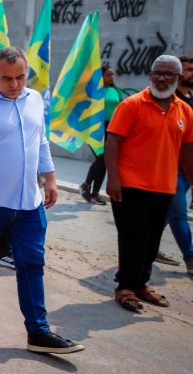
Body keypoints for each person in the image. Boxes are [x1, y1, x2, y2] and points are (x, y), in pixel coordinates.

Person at [0, 47, 83, 354]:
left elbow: (41, 140)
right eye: (7, 78)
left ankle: (38, 331)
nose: (15, 84)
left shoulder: (34, 99)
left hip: (29, 202)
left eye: (20, 77)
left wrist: (50, 176)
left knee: (32, 263)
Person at [105, 55, 193, 311]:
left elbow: (187, 151)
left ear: (178, 79)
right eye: (157, 73)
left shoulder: (184, 111)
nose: (161, 78)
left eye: (168, 74)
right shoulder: (132, 104)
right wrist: (113, 177)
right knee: (133, 237)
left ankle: (141, 284)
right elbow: (113, 141)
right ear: (150, 75)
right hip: (129, 185)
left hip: (164, 186)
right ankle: (125, 287)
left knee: (152, 240)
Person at [158, 55, 193, 273]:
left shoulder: (189, 100)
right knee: (179, 213)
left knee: (166, 214)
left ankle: (146, 244)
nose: (192, 74)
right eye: (189, 69)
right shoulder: (166, 100)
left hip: (187, 169)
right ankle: (190, 258)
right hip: (172, 169)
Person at [80, 64, 122, 206]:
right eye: (108, 75)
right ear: (100, 77)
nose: (111, 77)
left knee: (105, 161)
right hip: (96, 128)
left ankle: (94, 193)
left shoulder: (115, 91)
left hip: (112, 128)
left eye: (112, 75)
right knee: (102, 157)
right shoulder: (93, 91)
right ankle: (86, 186)